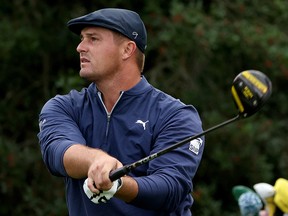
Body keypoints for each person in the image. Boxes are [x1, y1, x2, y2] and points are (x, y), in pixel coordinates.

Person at [37, 8, 204, 216]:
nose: (80, 47)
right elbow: (57, 150)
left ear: (127, 50)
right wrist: (95, 161)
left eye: (93, 39)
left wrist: (117, 185)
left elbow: (169, 188)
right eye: (82, 39)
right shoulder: (64, 107)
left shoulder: (176, 115)